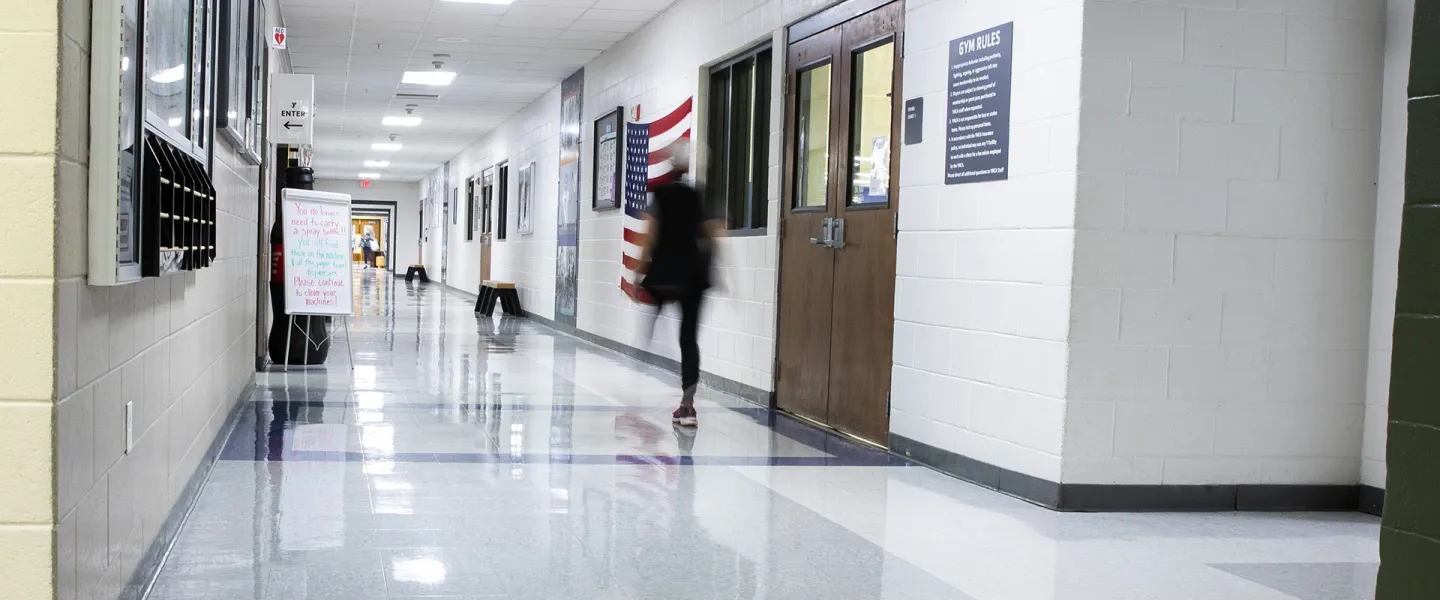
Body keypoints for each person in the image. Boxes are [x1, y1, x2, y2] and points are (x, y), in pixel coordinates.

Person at [637, 142, 723, 428]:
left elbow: (651, 235)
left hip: (665, 273)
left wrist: (639, 271)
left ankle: (647, 344)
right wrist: (717, 271)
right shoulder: (698, 196)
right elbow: (711, 234)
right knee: (689, 339)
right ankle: (688, 406)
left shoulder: (660, 196)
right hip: (693, 276)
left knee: (654, 320)